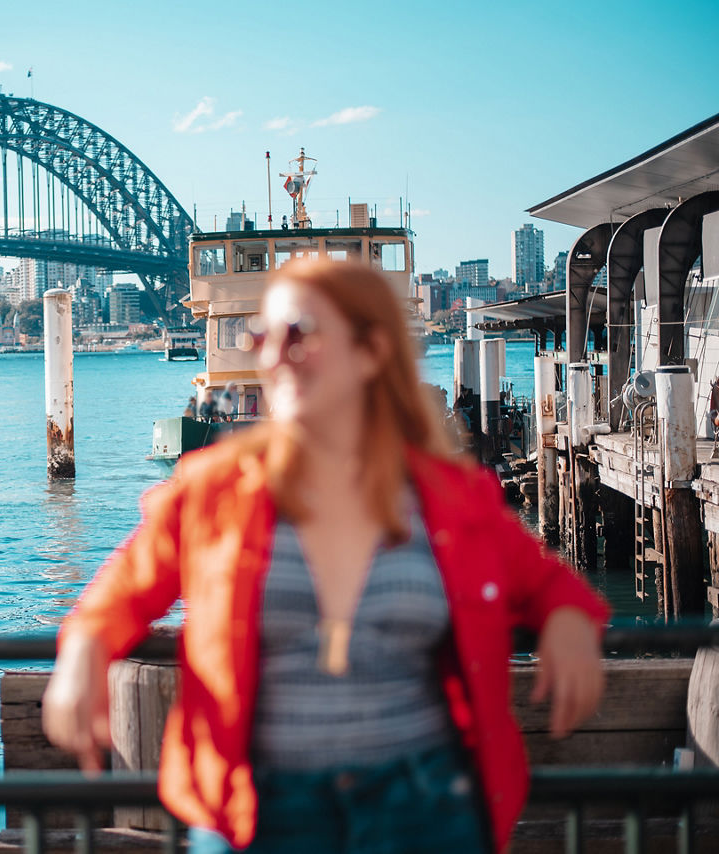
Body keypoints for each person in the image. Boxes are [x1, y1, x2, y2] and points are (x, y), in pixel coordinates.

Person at [42, 259, 608, 853]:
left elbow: (545, 581)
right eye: (264, 335)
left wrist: (568, 622)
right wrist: (85, 647)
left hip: (424, 809)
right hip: (259, 815)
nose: (274, 353)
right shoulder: (212, 488)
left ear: (370, 351)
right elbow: (126, 586)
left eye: (300, 334)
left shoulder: (449, 496)